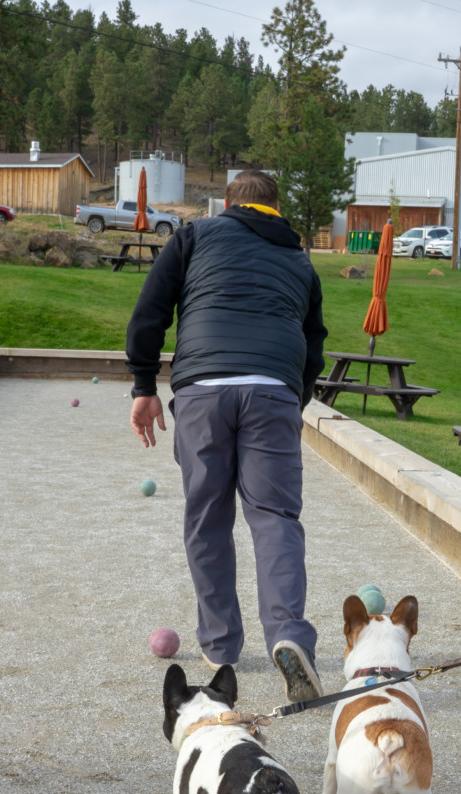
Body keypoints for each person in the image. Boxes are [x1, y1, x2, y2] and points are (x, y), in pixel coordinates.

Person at [125, 170, 328, 703]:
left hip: (203, 389)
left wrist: (144, 384)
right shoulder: (300, 260)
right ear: (275, 208)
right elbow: (314, 343)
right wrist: (290, 399)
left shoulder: (194, 235)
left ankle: (219, 644)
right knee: (276, 518)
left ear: (230, 204)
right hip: (273, 389)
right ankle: (289, 636)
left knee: (207, 515)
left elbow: (151, 310)